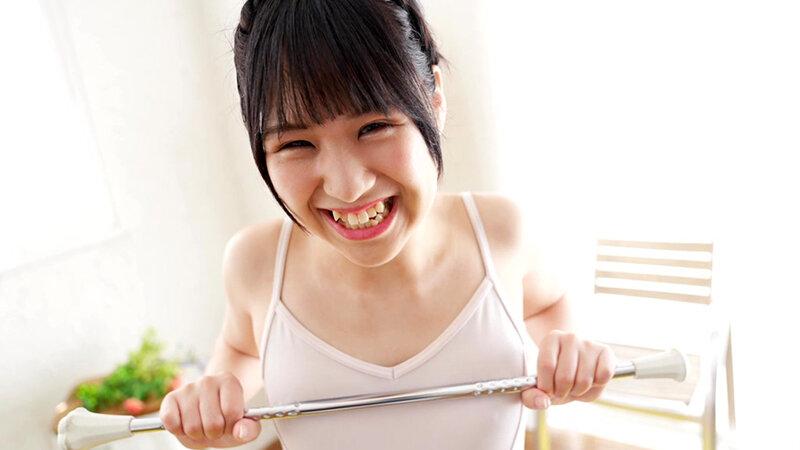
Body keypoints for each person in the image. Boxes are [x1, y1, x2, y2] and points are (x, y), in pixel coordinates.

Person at [159, 0, 615, 448]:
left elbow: (549, 303)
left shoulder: (502, 232)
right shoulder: (254, 263)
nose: (347, 187)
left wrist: (569, 350)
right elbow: (241, 349)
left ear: (434, 98)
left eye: (374, 126)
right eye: (296, 143)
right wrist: (210, 402)